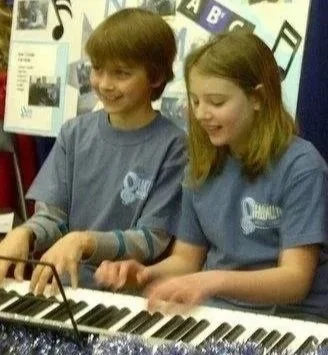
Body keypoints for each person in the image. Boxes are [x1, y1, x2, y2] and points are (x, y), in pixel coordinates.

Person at [94, 30, 328, 322]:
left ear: (257, 98)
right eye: (195, 101)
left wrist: (212, 281)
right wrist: (144, 274)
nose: (202, 114)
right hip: (219, 312)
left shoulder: (302, 167)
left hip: (291, 319)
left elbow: (295, 280)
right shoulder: (201, 165)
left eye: (216, 102)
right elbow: (187, 259)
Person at [0, 8, 186, 295]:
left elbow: (152, 239)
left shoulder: (174, 146)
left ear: (156, 77)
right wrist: (25, 232)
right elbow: (52, 216)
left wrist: (85, 241)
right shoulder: (73, 133)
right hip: (61, 287)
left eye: (121, 73)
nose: (105, 84)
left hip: (129, 296)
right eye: (97, 69)